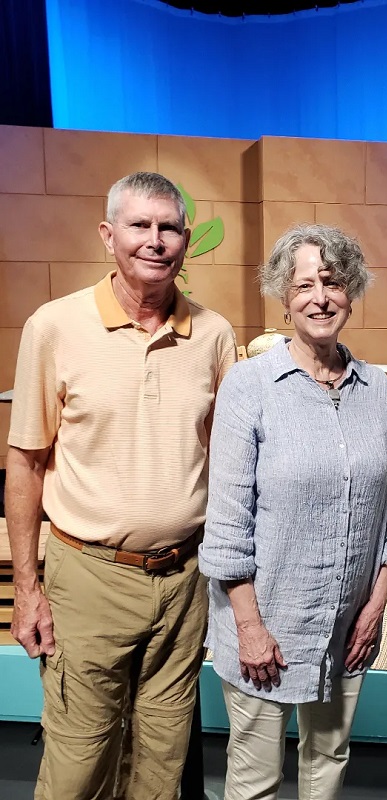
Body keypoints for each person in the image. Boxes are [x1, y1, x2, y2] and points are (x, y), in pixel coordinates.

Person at [5, 171, 237, 799]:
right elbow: (25, 464)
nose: (155, 240)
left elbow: (223, 462)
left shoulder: (214, 335)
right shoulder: (53, 326)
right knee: (80, 762)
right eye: (140, 225)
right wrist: (28, 591)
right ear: (109, 235)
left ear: (186, 239)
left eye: (169, 227)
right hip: (89, 578)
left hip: (184, 579)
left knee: (162, 765)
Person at [199, 223, 387, 800]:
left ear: (353, 291)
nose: (320, 297)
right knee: (256, 777)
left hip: (347, 624)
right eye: (304, 286)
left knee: (329, 758)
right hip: (265, 623)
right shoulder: (250, 386)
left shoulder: (374, 389)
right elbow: (227, 519)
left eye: (334, 283)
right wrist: (248, 627)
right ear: (284, 296)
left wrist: (375, 605)